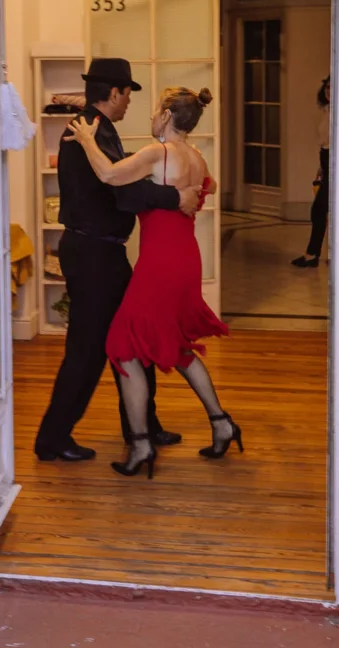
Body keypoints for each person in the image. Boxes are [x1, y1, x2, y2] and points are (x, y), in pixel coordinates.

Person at [66, 85, 243, 480]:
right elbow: (197, 193)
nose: (149, 117)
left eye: (154, 111)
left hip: (160, 264)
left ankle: (142, 443)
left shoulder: (158, 153)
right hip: (185, 259)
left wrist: (86, 140)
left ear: (165, 115)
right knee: (178, 345)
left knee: (122, 347)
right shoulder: (196, 157)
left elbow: (110, 175)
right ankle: (221, 423)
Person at [34, 58, 201, 463]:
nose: (129, 102)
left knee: (131, 339)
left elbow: (122, 178)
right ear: (114, 93)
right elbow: (121, 191)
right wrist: (173, 196)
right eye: (127, 93)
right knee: (88, 349)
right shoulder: (87, 131)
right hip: (93, 255)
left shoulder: (97, 129)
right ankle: (53, 439)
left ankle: (142, 428)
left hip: (102, 253)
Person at [292, 75, 330, 269]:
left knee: (319, 209)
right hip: (326, 159)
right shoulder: (326, 111)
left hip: (335, 162)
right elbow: (324, 144)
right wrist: (321, 168)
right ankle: (313, 254)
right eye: (326, 88)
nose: (328, 92)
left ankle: (313, 254)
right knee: (321, 209)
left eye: (332, 88)